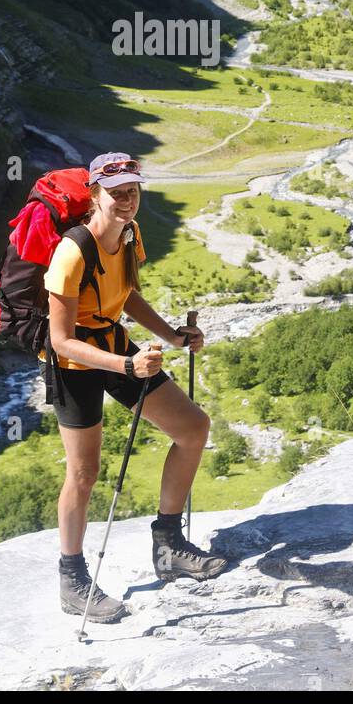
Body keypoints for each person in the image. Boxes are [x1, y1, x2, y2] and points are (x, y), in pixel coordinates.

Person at [41, 151, 229, 622]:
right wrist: (126, 367)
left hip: (116, 347)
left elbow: (126, 295)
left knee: (192, 429)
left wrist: (170, 335)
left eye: (133, 190)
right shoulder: (70, 251)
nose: (127, 199)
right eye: (116, 192)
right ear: (94, 195)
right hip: (73, 365)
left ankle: (168, 546)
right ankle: (71, 579)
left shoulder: (128, 234)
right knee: (84, 474)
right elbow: (60, 340)